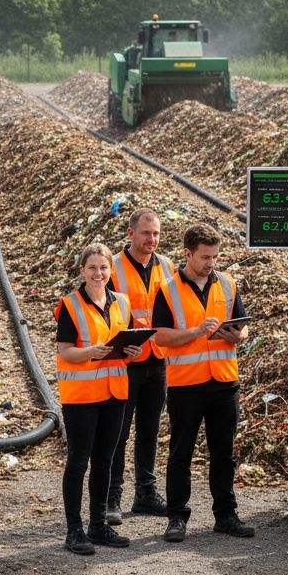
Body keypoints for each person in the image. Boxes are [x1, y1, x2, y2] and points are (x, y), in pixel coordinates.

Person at [152, 223, 254, 542]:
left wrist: (237, 334)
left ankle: (226, 515)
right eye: (205, 257)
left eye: (215, 256)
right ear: (188, 254)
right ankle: (177, 517)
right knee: (181, 454)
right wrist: (196, 332)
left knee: (223, 454)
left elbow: (244, 327)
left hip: (224, 382)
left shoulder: (226, 284)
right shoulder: (168, 290)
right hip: (186, 385)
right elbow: (160, 335)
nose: (211, 263)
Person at [55, 243, 143, 555]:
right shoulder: (70, 305)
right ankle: (74, 530)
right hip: (81, 396)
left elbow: (128, 344)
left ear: (110, 271)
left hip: (114, 393)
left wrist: (134, 351)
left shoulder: (121, 303)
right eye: (92, 268)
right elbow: (65, 350)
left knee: (104, 461)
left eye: (103, 268)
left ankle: (97, 525)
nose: (98, 273)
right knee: (79, 461)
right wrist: (90, 353)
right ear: (82, 270)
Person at [105, 209, 173, 525]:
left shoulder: (167, 266)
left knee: (149, 431)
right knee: (117, 432)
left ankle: (146, 494)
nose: (152, 239)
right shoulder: (113, 267)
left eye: (156, 233)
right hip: (125, 361)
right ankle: (110, 498)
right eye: (146, 233)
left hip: (157, 359)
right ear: (131, 234)